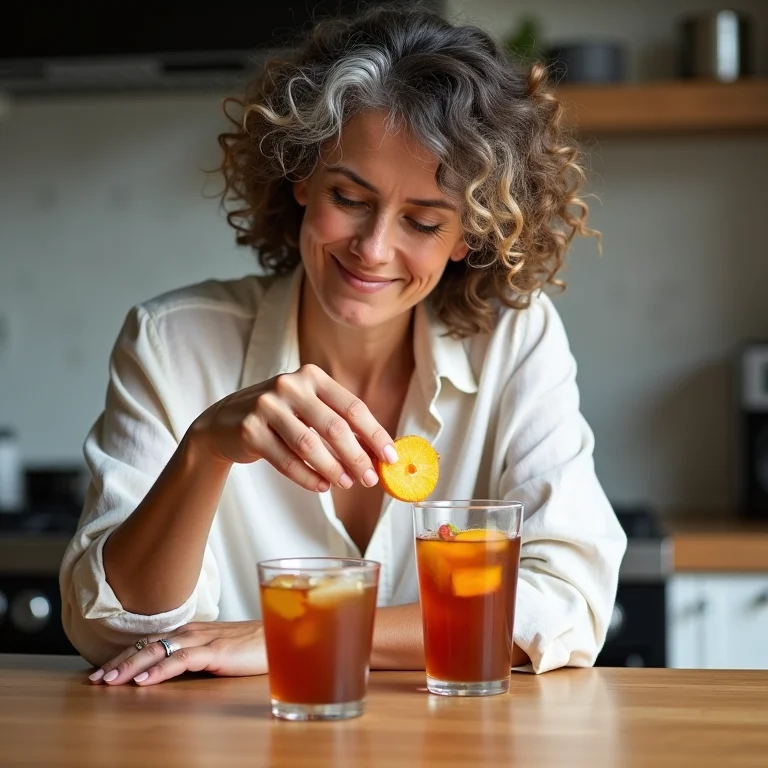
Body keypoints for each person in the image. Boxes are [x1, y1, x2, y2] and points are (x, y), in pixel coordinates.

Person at [59, 4, 626, 687]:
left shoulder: (513, 337)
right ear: (302, 176)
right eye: (350, 197)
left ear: (468, 237)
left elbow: (567, 602)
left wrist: (288, 633)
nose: (374, 248)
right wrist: (205, 450)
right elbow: (119, 634)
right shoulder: (173, 341)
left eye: (422, 220)